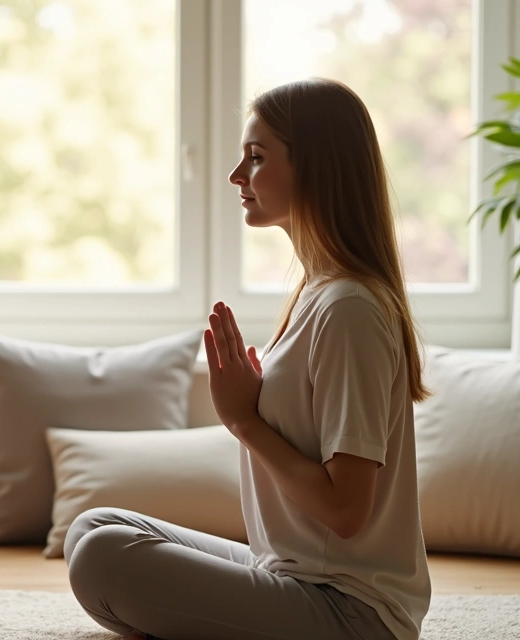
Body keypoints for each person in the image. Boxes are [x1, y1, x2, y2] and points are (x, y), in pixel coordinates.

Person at [63, 78, 432, 640]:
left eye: (256, 158)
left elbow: (347, 511)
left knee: (104, 558)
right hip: (292, 575)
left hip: (351, 613)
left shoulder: (349, 309)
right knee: (95, 527)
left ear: (316, 169)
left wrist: (243, 421)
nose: (237, 177)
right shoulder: (319, 290)